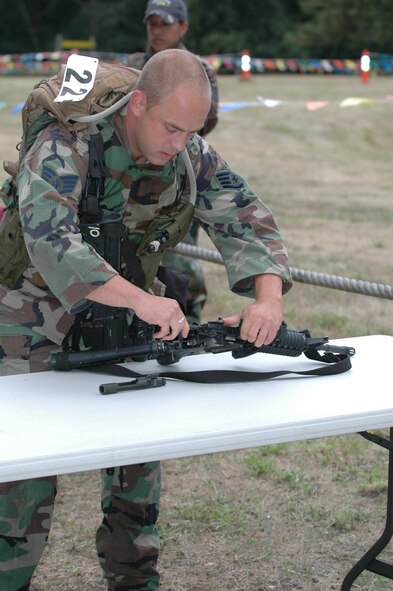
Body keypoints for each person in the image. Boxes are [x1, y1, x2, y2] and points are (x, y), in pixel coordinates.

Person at [0, 49, 292, 591]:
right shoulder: (68, 141)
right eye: (172, 127)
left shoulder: (187, 151)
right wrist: (142, 300)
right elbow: (50, 239)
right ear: (137, 105)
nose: (180, 143)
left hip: (132, 309)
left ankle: (134, 581)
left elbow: (245, 216)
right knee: (22, 483)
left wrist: (268, 300)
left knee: (138, 463)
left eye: (193, 131)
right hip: (30, 315)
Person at [127, 0, 220, 323]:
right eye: (152, 22)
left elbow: (201, 125)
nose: (157, 29)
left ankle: (189, 318)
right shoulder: (132, 66)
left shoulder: (198, 72)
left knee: (180, 258)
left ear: (183, 27)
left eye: (165, 23)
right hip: (127, 180)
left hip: (175, 181)